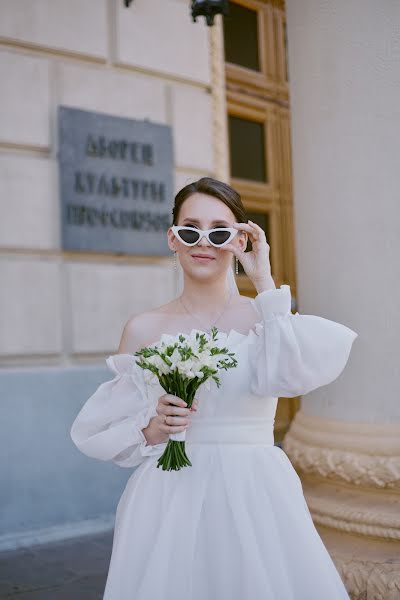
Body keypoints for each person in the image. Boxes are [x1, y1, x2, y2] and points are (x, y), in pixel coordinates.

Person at [70, 177, 358, 599]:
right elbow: (105, 430)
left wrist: (264, 280)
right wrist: (154, 427)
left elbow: (292, 378)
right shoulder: (143, 328)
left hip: (256, 493)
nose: (203, 242)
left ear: (239, 239)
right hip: (169, 496)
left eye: (219, 231)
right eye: (190, 230)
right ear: (173, 238)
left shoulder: (268, 318)